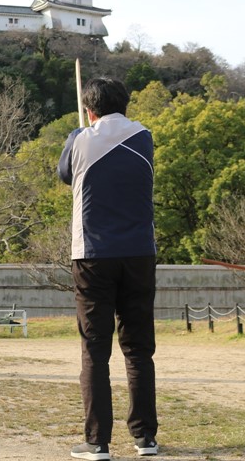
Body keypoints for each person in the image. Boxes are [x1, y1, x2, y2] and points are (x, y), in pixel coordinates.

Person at [58, 77, 158, 460]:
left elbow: (65, 175)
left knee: (95, 350)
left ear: (89, 109)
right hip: (139, 254)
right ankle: (145, 437)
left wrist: (78, 131)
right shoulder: (145, 137)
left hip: (93, 254)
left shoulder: (78, 138)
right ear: (126, 105)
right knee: (138, 349)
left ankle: (97, 441)